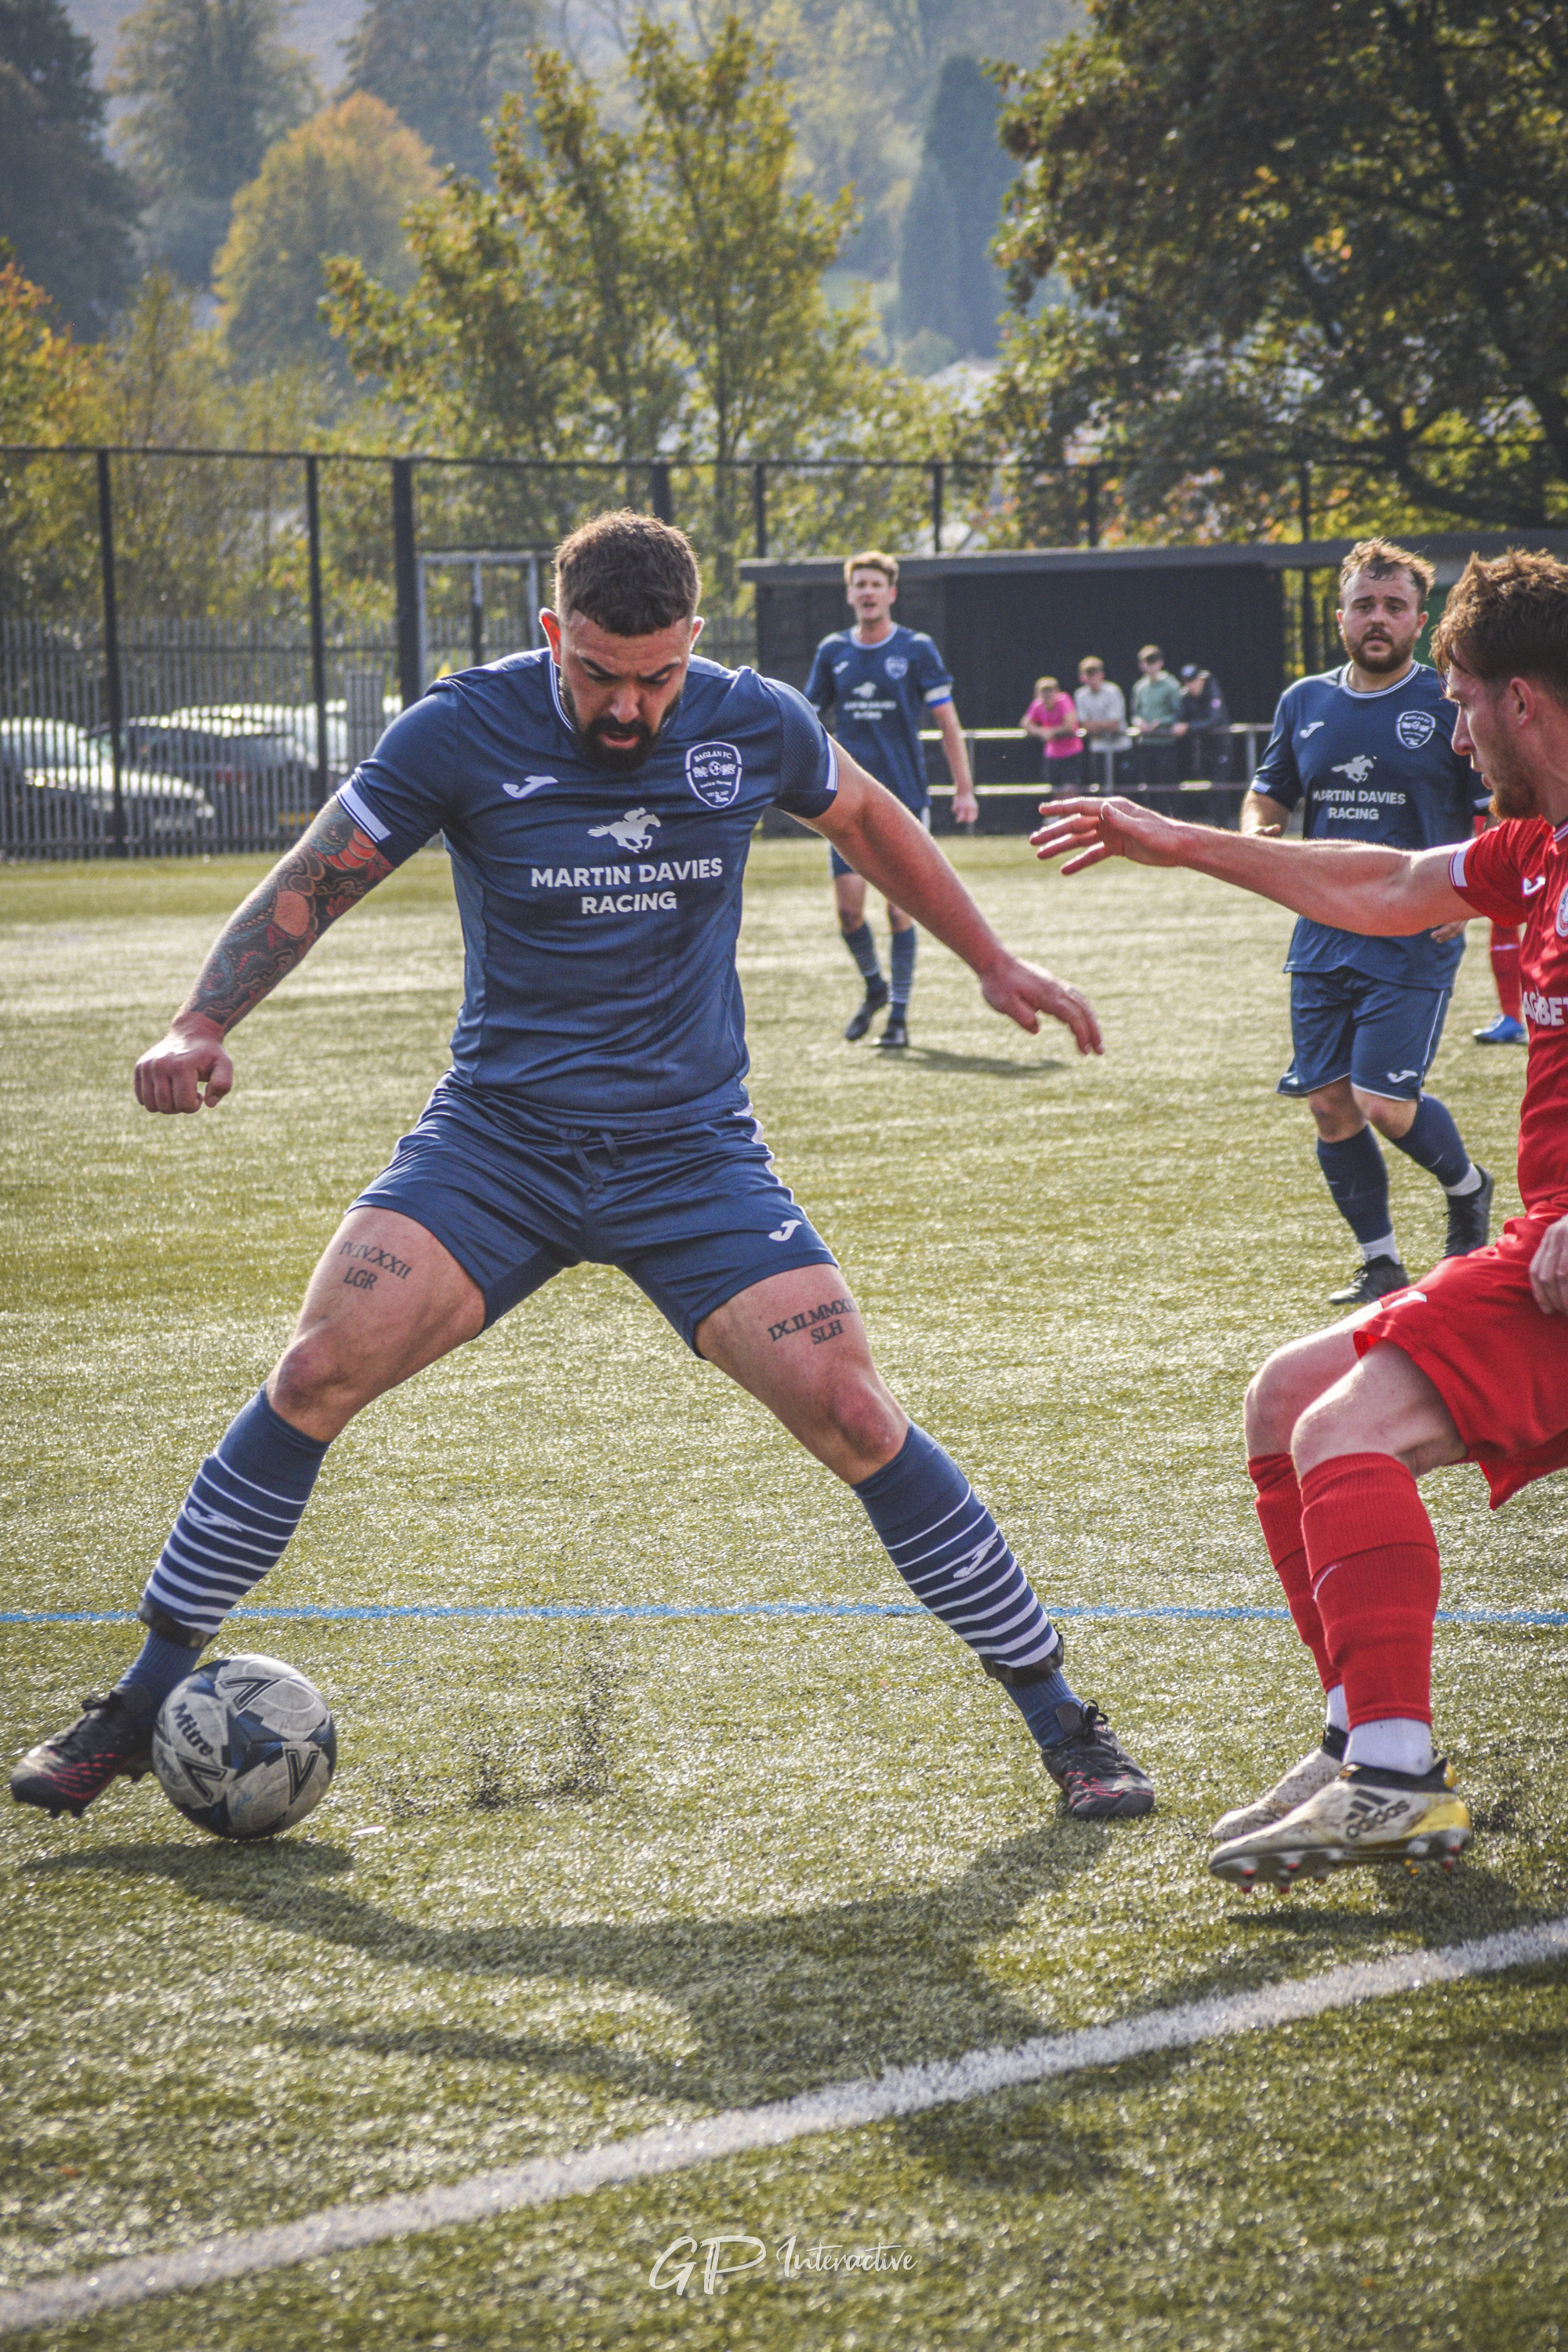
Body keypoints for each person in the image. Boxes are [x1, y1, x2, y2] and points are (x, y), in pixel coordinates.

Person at [10, 513, 1154, 1831]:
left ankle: (1064, 1722)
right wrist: (204, 1020)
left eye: (656, 678)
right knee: (317, 1369)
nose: (629, 706)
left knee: (854, 1411)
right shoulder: (461, 729)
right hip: (498, 1148)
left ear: (694, 647)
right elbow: (317, 877)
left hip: (691, 1157)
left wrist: (991, 959)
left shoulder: (752, 720)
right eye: (600, 674)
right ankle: (138, 1702)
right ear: (554, 634)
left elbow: (870, 815)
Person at [1031, 545, 1568, 1884]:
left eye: (1461, 701)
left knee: (1346, 1428)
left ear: (1524, 700)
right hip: (1543, 1246)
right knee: (1285, 1399)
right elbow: (1381, 889)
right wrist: (1172, 841)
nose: (1450, 730)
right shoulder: (1537, 849)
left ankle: (1395, 1774)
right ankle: (1359, 1742)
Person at [1241, 539, 1495, 1307]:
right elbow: (1267, 794)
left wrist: (1469, 893)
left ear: (1418, 620)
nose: (1375, 619)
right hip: (1321, 927)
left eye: (1391, 606)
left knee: (1383, 1101)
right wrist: (1258, 836)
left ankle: (1466, 1187)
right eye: (1362, 605)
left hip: (1416, 925)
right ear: (1340, 615)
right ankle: (1379, 1261)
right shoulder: (1303, 702)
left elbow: (1492, 807)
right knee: (1328, 1101)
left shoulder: (1446, 700)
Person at [803, 550, 978, 1049]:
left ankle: (898, 1017)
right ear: (850, 593)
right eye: (859, 584)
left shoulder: (917, 649)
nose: (868, 592)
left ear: (891, 593)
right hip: (844, 803)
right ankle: (875, 987)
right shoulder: (832, 651)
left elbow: (948, 723)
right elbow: (809, 721)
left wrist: (964, 790)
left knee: (900, 911)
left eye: (876, 584)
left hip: (904, 798)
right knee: (849, 912)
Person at [1130, 644, 1187, 786]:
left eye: (1152, 662)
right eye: (1145, 663)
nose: (1148, 667)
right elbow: (1134, 714)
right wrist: (1138, 722)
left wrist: (1161, 722)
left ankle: (1172, 810)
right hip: (1145, 743)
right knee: (1148, 786)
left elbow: (1179, 714)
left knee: (1169, 785)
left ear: (1160, 663)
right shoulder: (1140, 687)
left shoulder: (1171, 685)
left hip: (1165, 742)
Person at [1073, 655, 1132, 792]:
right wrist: (1102, 725)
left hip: (1120, 747)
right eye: (1088, 675)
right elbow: (1083, 724)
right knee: (1100, 789)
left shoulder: (1113, 691)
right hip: (1098, 748)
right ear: (1082, 677)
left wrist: (1095, 726)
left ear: (1102, 675)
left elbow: (1115, 724)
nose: (1092, 679)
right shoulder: (1080, 695)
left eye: (1094, 674)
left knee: (1124, 790)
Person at [1022, 674, 1084, 789]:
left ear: (1057, 692)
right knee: (1055, 792)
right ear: (1037, 694)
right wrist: (1041, 732)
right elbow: (1026, 724)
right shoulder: (1037, 705)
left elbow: (1069, 725)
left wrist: (1051, 732)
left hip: (1071, 753)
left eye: (1050, 691)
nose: (1047, 695)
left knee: (1071, 791)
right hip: (1052, 755)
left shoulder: (1064, 700)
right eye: (1044, 692)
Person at [1178, 664, 1231, 782]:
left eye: (1193, 681)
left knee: (1219, 786)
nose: (1190, 685)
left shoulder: (1213, 694)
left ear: (1201, 680)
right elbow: (1179, 718)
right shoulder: (1186, 697)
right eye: (1187, 682)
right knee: (1203, 788)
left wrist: (1189, 727)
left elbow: (1214, 721)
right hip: (1202, 748)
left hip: (1220, 746)